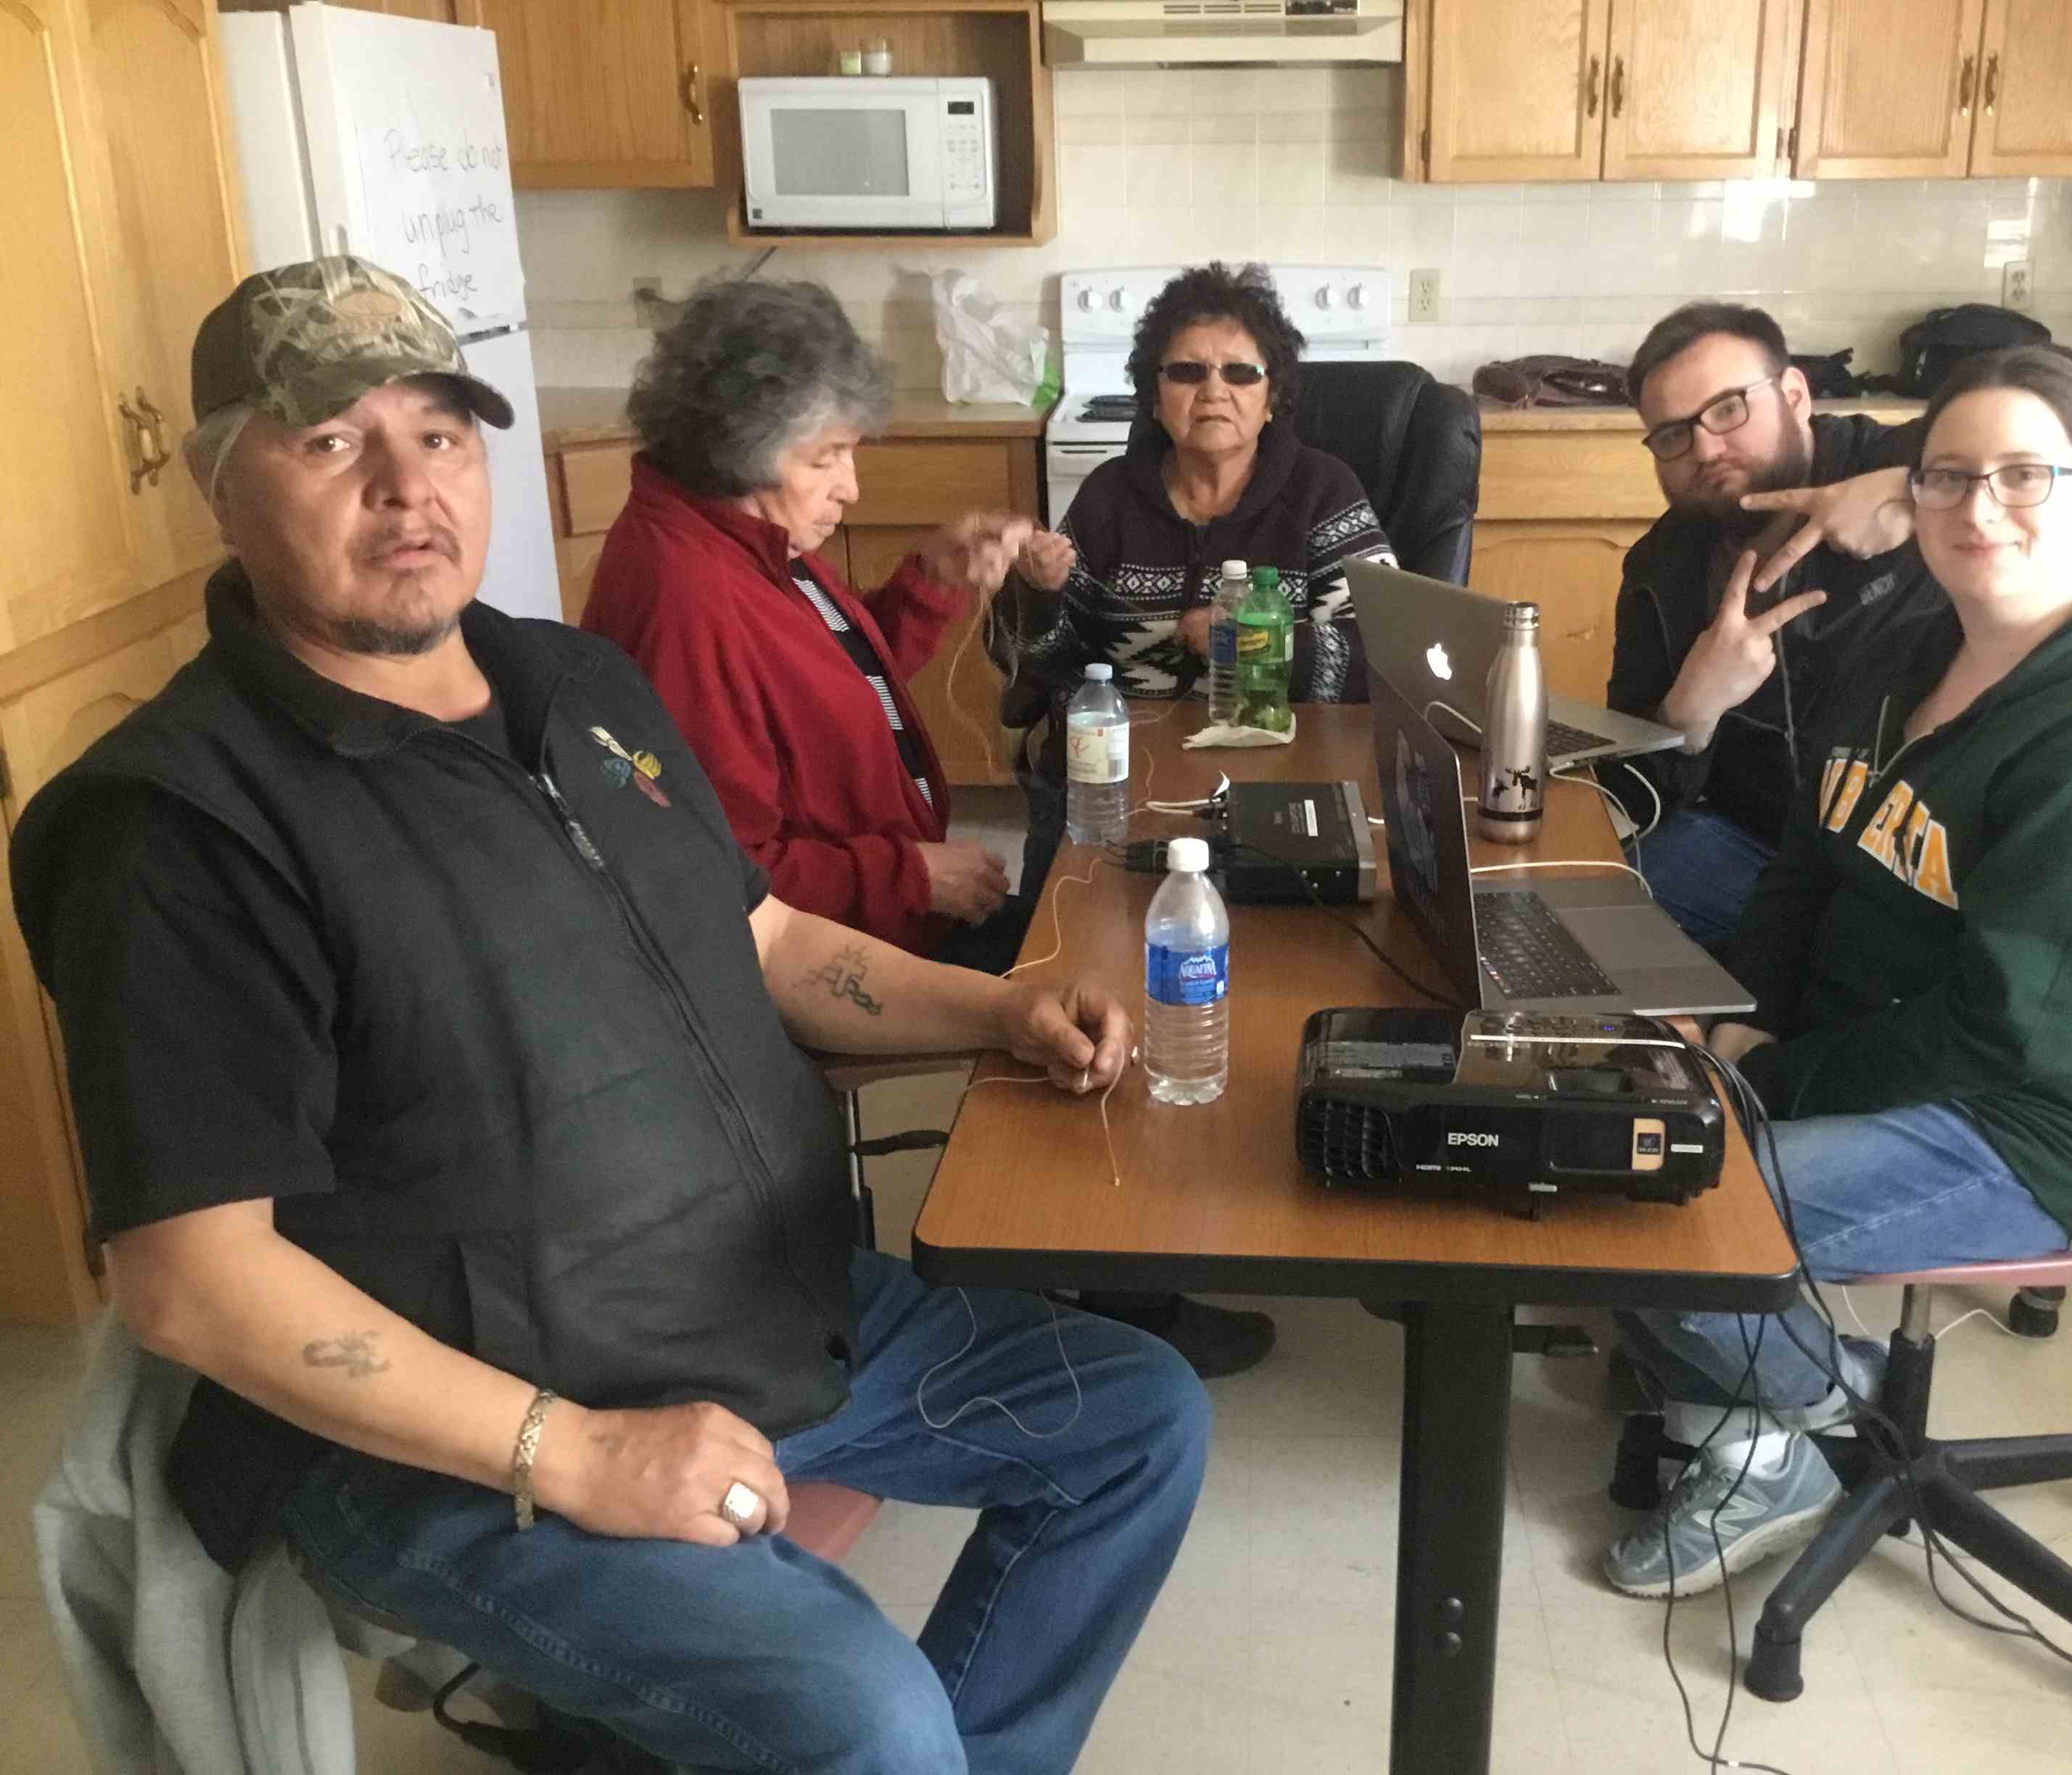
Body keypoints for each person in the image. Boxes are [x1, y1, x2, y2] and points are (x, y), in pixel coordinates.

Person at [10, 257, 1208, 1775]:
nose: (406, 486)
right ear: (214, 484)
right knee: (866, 1716)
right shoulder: (180, 826)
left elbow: (762, 937)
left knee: (1133, 1423)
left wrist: (1003, 1005)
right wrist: (572, 1452)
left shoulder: (572, 685)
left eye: (440, 434)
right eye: (330, 443)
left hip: (763, 1321)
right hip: (468, 1443)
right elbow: (190, 1281)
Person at [1598, 347, 2072, 1599]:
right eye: (1946, 477)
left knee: (1643, 1196)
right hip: (1893, 1040)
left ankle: (1774, 1430)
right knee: (1603, 1127)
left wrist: (1769, 1079)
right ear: (1909, 491)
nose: (1976, 508)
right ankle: (1765, 1375)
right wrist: (1729, 1028)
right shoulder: (1908, 658)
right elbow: (1802, 865)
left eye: (2022, 476)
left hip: (2034, 1120)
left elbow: (2015, 1030)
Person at [988, 260, 1401, 1379]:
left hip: (1290, 771)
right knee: (1086, 973)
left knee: (1288, 985)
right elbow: (1036, 672)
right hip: (1120, 776)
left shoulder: (1324, 491)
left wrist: (1235, 636)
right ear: (1151, 390)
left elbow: (1381, 651)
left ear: (1274, 394)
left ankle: (1317, 1189)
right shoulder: (1111, 500)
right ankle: (1125, 1281)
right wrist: (1031, 593)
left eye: (1238, 371)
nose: (1211, 391)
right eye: (1184, 371)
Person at [1603, 302, 2072, 952]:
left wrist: (1917, 495)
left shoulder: (1913, 457)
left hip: (1907, 853)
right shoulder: (1661, 568)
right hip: (1758, 846)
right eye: (1673, 435)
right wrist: (1690, 712)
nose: (1706, 448)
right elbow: (1624, 795)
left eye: (1728, 409)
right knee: (1567, 890)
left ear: (1795, 395)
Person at [583, 278, 1039, 975]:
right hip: (824, 959)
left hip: (873, 916)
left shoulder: (740, 531)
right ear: (744, 445)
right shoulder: (686, 600)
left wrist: (932, 583)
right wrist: (913, 876)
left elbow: (826, 685)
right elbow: (725, 875)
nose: (850, 489)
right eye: (826, 459)